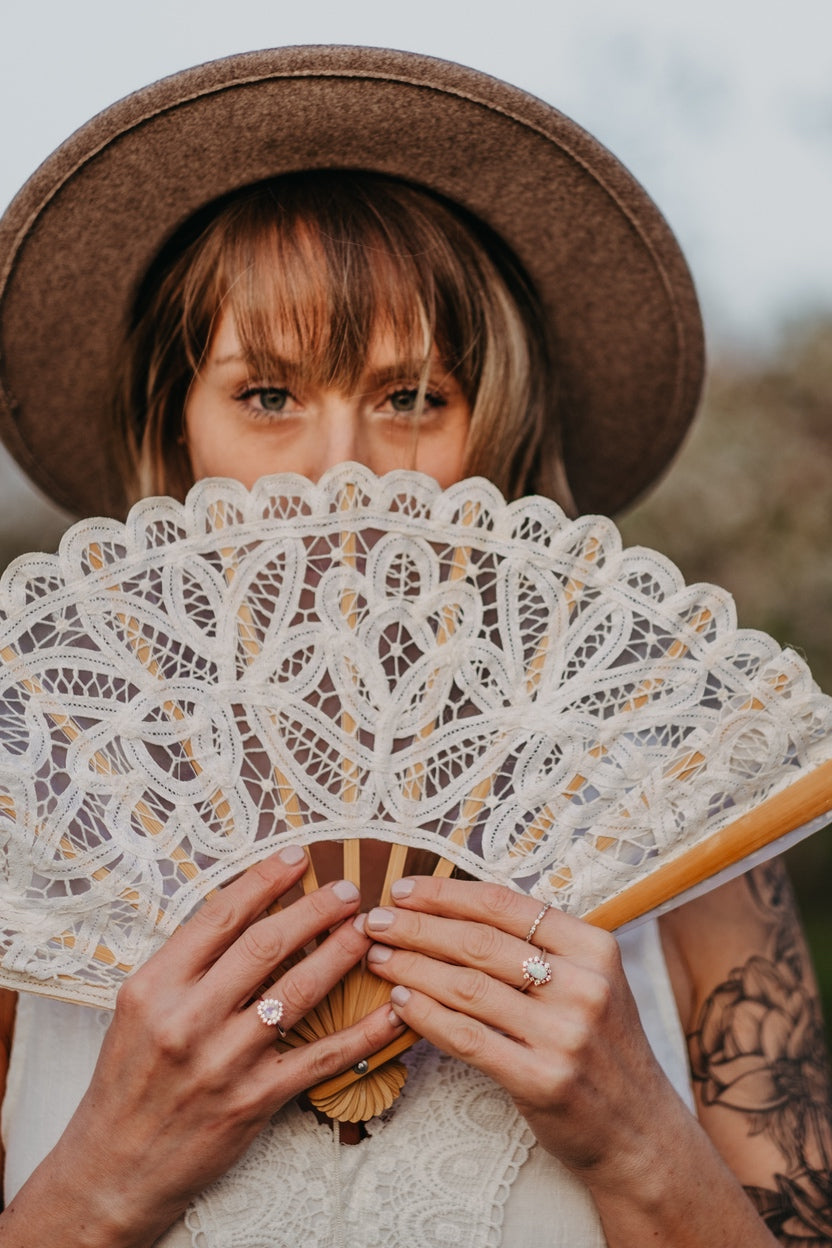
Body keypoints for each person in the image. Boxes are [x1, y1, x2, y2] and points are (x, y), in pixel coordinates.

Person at [0, 45, 829, 1248]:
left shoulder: (690, 829)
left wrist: (635, 1136)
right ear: (176, 436)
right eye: (268, 395)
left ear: (496, 437)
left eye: (411, 398)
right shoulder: (31, 816)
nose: (343, 470)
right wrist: (108, 1176)